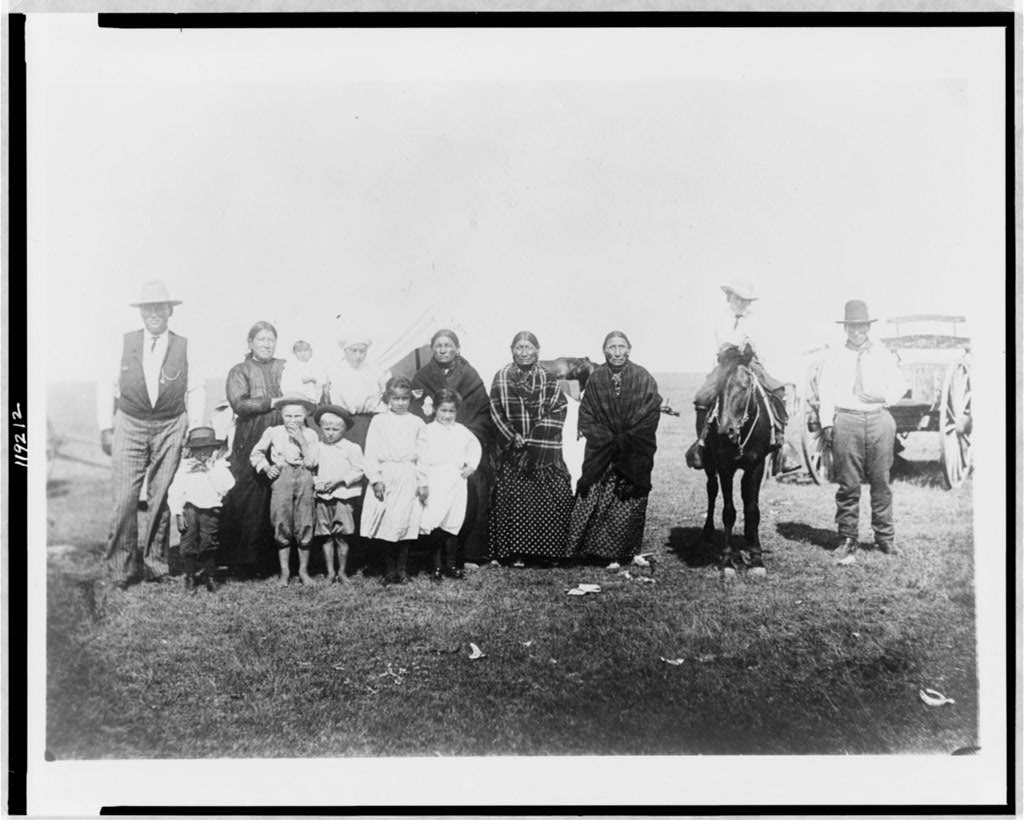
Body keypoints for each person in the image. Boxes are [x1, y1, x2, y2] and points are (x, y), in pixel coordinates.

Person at [98, 280, 205, 589]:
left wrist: (195, 430)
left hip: (172, 424)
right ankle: (121, 568)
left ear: (170, 310)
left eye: (160, 307)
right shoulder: (124, 342)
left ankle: (155, 564)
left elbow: (196, 388)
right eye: (148, 308)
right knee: (124, 498)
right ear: (141, 312)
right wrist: (106, 426)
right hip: (129, 421)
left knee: (161, 497)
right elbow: (106, 383)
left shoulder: (184, 344)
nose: (154, 314)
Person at [817, 299, 906, 565]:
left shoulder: (882, 354)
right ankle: (847, 539)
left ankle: (885, 538)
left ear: (868, 327)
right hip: (847, 420)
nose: (857, 332)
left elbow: (901, 385)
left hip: (879, 419)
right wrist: (827, 424)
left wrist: (884, 397)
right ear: (846, 328)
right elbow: (825, 392)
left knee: (881, 481)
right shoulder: (834, 356)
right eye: (852, 327)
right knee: (848, 484)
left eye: (861, 326)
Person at [568, 331, 662, 566]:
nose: (617, 352)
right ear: (604, 351)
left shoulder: (643, 377)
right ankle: (590, 549)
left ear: (629, 349)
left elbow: (651, 412)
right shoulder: (597, 378)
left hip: (633, 451)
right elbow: (587, 414)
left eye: (622, 347)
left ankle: (619, 552)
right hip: (602, 450)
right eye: (612, 347)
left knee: (625, 498)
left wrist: (626, 440)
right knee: (594, 493)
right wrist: (607, 439)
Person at [489, 331, 574, 565]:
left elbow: (558, 409)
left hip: (544, 452)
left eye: (528, 347)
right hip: (513, 451)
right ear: (511, 350)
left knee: (552, 497)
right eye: (519, 347)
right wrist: (511, 435)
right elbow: (495, 410)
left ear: (537, 350)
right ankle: (516, 553)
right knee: (517, 501)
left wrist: (534, 439)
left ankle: (551, 552)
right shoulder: (502, 376)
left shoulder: (548, 377)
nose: (524, 352)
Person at [409, 328, 494, 563]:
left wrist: (465, 438)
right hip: (436, 450)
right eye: (438, 346)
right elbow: (417, 415)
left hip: (464, 449)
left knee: (469, 498)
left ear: (457, 348)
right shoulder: (422, 377)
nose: (443, 350)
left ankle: (464, 554)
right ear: (432, 349)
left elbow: (482, 412)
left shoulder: (470, 376)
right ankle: (432, 557)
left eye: (448, 345)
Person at [688, 279, 789, 469]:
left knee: (778, 391)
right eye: (738, 299)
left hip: (750, 363)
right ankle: (700, 445)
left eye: (746, 300)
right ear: (730, 297)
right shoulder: (720, 318)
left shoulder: (757, 319)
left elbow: (759, 344)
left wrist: (748, 347)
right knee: (702, 397)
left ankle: (780, 446)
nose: (742, 304)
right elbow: (721, 344)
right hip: (725, 364)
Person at [220, 321, 286, 576]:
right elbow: (239, 403)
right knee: (249, 495)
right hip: (250, 437)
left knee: (277, 493)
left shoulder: (284, 367)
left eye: (271, 339)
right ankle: (244, 560)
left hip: (282, 435)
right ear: (250, 343)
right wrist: (272, 402)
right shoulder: (240, 370)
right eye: (261, 339)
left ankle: (274, 560)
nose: (267, 344)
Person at [360, 377, 426, 584]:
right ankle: (389, 570)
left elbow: (424, 455)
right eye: (395, 398)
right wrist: (375, 479)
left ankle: (402, 570)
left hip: (408, 475)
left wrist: (422, 481)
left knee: (406, 522)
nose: (400, 402)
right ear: (388, 398)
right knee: (387, 523)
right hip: (386, 474)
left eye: (404, 398)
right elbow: (370, 452)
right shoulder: (379, 421)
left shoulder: (417, 422)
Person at [250, 394, 320, 586]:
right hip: (282, 477)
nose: (293, 420)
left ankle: (303, 571)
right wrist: (266, 467)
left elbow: (312, 462)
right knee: (281, 521)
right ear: (281, 414)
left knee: (305, 521)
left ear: (306, 415)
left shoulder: (311, 434)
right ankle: (284, 572)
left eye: (298, 416)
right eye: (288, 416)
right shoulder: (273, 432)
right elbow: (256, 453)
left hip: (305, 476)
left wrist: (301, 440)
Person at [416, 388, 482, 581]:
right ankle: (436, 566)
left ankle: (451, 564)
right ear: (435, 409)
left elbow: (474, 447)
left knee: (453, 523)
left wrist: (471, 466)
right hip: (435, 478)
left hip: (455, 480)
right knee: (435, 523)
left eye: (451, 411)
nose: (447, 415)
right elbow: (420, 458)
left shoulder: (462, 431)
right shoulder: (427, 431)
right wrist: (423, 482)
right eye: (443, 410)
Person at [167, 426, 235, 593]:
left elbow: (226, 487)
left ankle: (209, 575)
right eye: (198, 449)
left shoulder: (219, 467)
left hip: (210, 511)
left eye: (207, 449)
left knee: (208, 542)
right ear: (192, 451)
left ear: (214, 449)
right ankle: (190, 576)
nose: (202, 453)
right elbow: (175, 490)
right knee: (188, 542)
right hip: (189, 510)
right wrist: (178, 512)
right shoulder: (185, 469)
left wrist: (210, 471)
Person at [312, 404, 365, 583]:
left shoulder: (352, 448)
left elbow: (359, 470)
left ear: (345, 429)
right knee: (326, 535)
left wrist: (340, 481)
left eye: (336, 429)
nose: (330, 433)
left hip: (343, 496)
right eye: (326, 429)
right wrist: (317, 483)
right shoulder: (317, 448)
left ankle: (342, 571)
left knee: (342, 536)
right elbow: (311, 469)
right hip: (323, 498)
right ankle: (330, 572)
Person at [324, 330, 391, 451]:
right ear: (345, 350)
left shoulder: (376, 369)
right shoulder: (335, 371)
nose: (358, 355)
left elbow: (387, 393)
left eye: (362, 351)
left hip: (372, 421)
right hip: (345, 423)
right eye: (354, 350)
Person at [280, 339, 325, 405]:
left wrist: (313, 380)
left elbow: (322, 379)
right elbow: (285, 382)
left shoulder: (315, 365)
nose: (302, 354)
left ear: (311, 351)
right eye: (299, 351)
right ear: (294, 353)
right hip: (295, 396)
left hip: (312, 397)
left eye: (305, 350)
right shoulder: (290, 366)